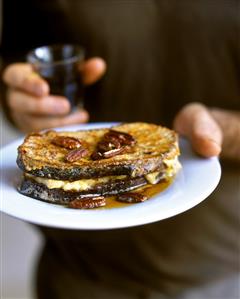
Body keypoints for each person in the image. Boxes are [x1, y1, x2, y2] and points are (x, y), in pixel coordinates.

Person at [1, 1, 240, 298]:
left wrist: (223, 130)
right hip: (76, 270)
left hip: (218, 271)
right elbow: (17, 66)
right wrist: (26, 104)